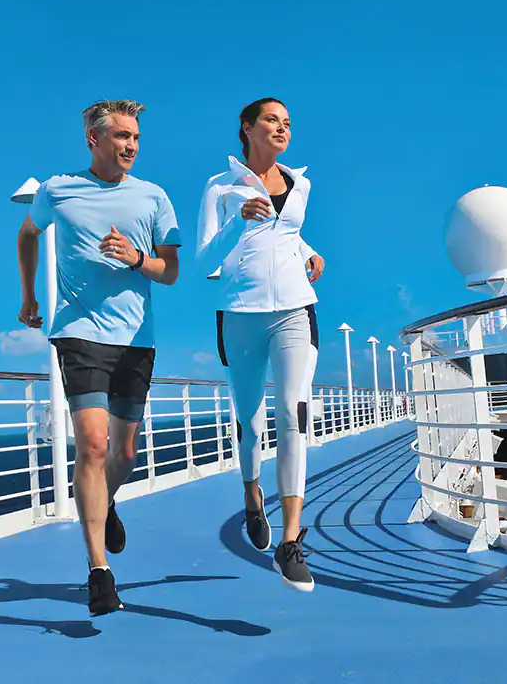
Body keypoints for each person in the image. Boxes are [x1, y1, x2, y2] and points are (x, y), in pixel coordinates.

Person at [17, 99, 181, 616]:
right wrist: (29, 296)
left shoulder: (153, 197)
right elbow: (28, 234)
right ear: (94, 139)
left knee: (124, 455)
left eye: (136, 137)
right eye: (122, 136)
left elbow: (170, 272)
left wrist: (136, 258)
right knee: (92, 444)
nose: (131, 145)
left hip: (136, 338)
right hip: (78, 333)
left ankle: (104, 501)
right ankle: (98, 571)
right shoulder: (57, 190)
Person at [196, 97, 323, 592]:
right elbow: (205, 259)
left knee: (293, 414)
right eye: (272, 120)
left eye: (287, 122)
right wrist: (238, 220)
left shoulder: (301, 184)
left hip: (295, 309)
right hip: (240, 314)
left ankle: (290, 542)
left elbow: (286, 235)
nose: (282, 128)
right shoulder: (220, 187)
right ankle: (253, 496)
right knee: (250, 424)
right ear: (247, 128)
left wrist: (311, 252)